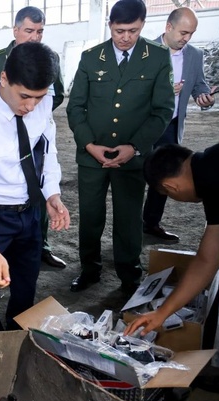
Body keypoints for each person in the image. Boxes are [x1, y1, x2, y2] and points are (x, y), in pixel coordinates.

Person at [0, 42, 70, 332]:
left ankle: (20, 336)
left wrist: (52, 194)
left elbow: (48, 151)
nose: (31, 106)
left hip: (30, 211)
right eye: (24, 96)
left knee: (26, 283)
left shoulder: (42, 102)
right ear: (4, 79)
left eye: (39, 97)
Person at [66, 0, 174, 295]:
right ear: (110, 25)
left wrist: (135, 147)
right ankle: (89, 269)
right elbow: (75, 107)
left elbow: (163, 110)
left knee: (128, 219)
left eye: (133, 30)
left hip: (132, 158)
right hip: (92, 157)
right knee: (90, 217)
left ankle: (130, 275)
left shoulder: (158, 58)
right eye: (119, 30)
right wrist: (89, 144)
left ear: (142, 24)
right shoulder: (90, 58)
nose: (126, 37)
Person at [125, 141, 219, 401]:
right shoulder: (213, 164)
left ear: (170, 187)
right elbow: (212, 254)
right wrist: (162, 312)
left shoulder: (214, 177)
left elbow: (209, 258)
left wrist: (161, 312)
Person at [0, 6, 67, 270]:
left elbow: (54, 95)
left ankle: (41, 246)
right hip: (3, 141)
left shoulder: (49, 59)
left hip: (34, 136)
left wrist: (33, 111)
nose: (35, 36)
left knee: (36, 187)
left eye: (40, 31)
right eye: (29, 31)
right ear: (16, 30)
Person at [142, 7, 216, 242]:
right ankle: (127, 227)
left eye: (191, 34)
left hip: (171, 125)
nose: (187, 38)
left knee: (164, 176)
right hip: (142, 124)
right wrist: (160, 91)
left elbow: (200, 86)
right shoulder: (144, 52)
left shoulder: (195, 55)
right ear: (168, 27)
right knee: (133, 175)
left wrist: (205, 98)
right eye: (183, 32)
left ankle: (151, 224)